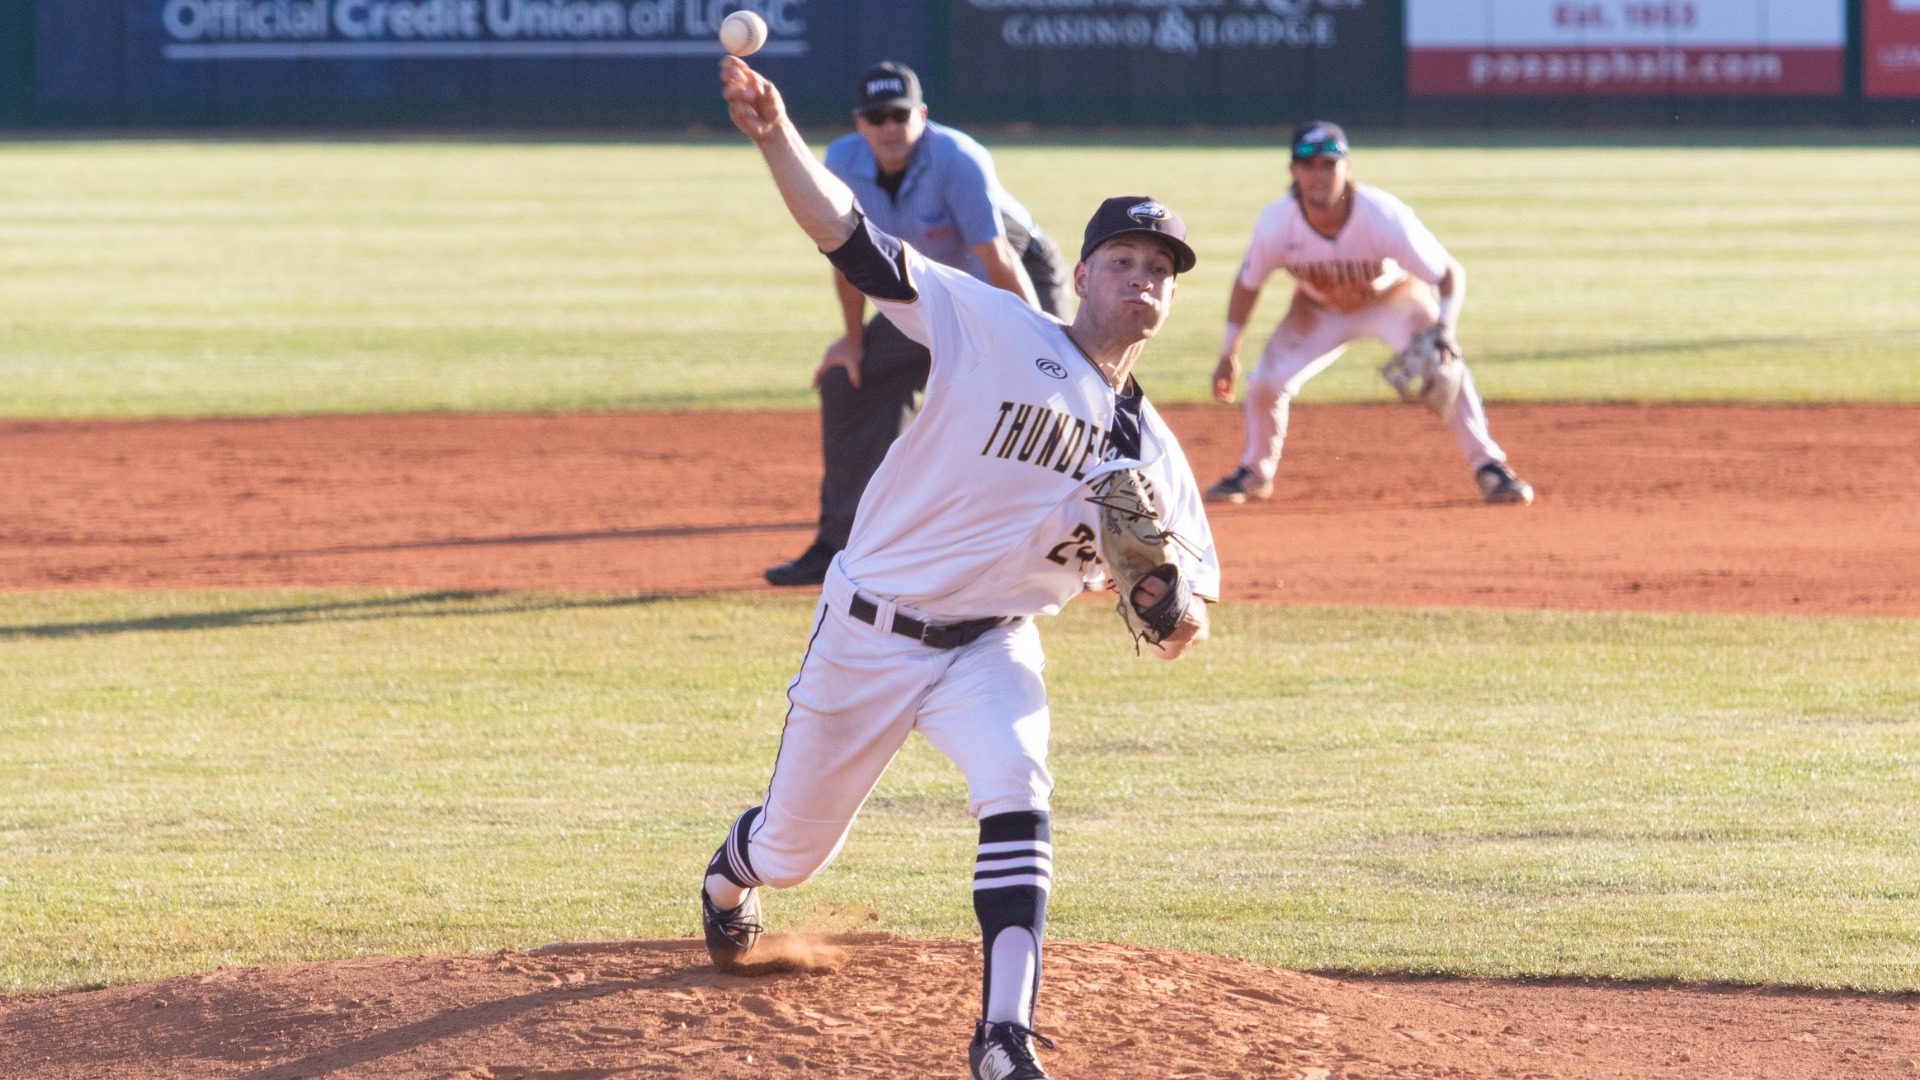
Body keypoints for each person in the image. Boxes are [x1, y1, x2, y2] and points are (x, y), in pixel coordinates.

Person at [708, 55, 1219, 1080]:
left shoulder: (1155, 457)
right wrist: (775, 136)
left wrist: (1163, 603)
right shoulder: (992, 327)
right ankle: (730, 878)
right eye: (1124, 260)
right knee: (793, 856)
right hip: (869, 631)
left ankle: (1003, 1036)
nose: (1143, 280)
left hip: (992, 643)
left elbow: (1185, 620)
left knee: (1018, 783)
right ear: (1081, 275)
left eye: (1159, 270)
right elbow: (848, 237)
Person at [764, 60, 1073, 587]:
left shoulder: (958, 159)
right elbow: (849, 259)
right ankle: (844, 547)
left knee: (1048, 401)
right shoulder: (840, 160)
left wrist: (1038, 347)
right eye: (876, 116)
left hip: (1018, 285)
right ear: (858, 123)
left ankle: (1071, 545)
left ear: (922, 116)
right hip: (930, 296)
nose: (888, 127)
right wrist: (854, 342)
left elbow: (999, 260)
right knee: (848, 382)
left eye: (899, 115)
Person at [1205, 121, 1535, 506]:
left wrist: (1444, 329)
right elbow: (1248, 284)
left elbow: (1449, 274)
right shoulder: (1276, 224)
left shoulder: (1381, 215)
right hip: (1318, 308)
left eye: (1329, 164)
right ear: (1293, 171)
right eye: (1309, 165)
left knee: (1445, 364)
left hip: (1391, 298)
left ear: (1347, 168)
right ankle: (1255, 473)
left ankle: (1490, 467)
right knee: (1266, 382)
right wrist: (1229, 351)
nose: (1319, 175)